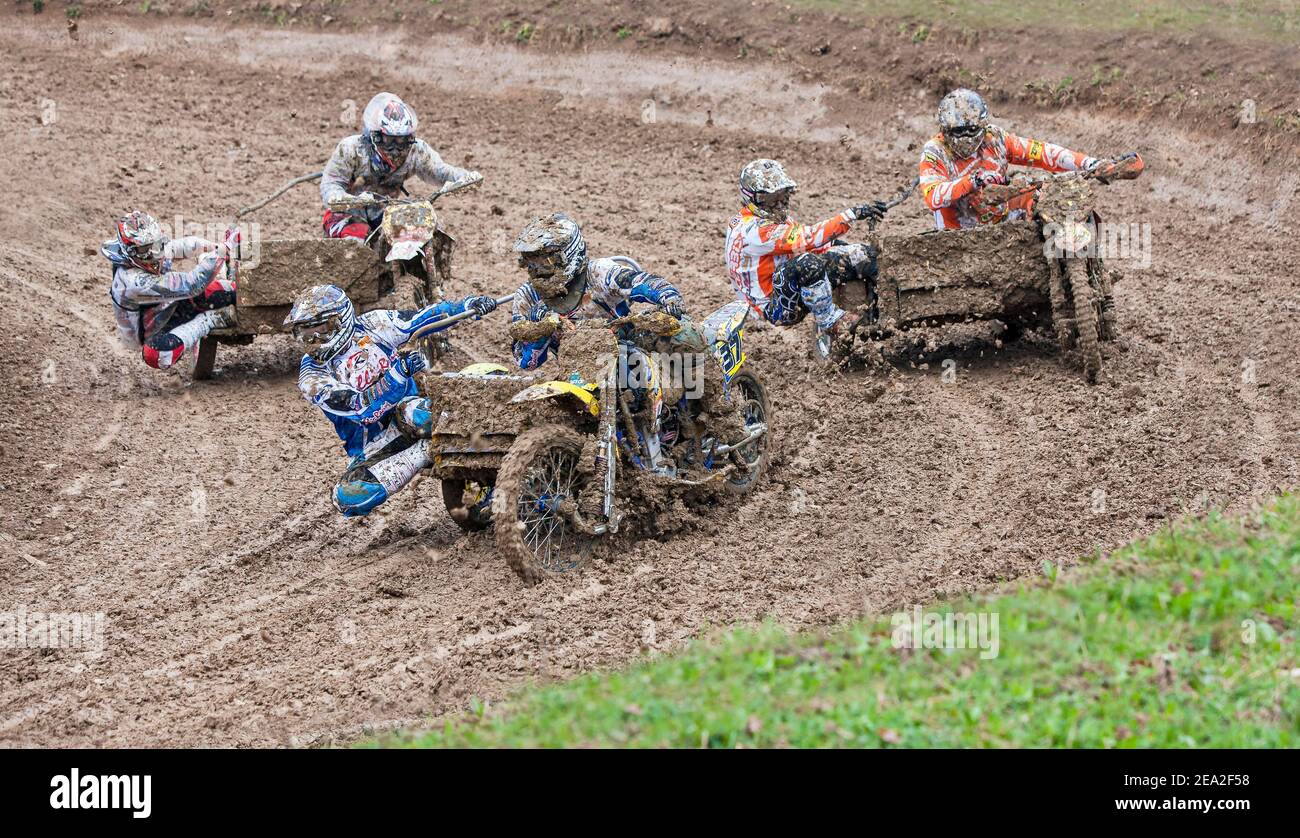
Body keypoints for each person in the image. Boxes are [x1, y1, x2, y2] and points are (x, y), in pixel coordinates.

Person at [285, 285, 498, 516]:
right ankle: (428, 450)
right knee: (347, 497)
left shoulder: (373, 324)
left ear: (341, 319)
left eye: (320, 330)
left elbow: (421, 319)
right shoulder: (312, 377)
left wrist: (466, 306)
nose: (315, 340)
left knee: (418, 415)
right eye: (306, 334)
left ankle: (485, 432)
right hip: (376, 444)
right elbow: (361, 411)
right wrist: (397, 374)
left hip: (408, 410)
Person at [918, 88, 1132, 230]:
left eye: (971, 130)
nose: (965, 137)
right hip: (957, 233)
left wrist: (1090, 163)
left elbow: (1042, 152)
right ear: (944, 130)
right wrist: (972, 181)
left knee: (1050, 200)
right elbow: (932, 195)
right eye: (957, 131)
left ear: (982, 126)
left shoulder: (995, 138)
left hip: (1003, 221)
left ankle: (1083, 267)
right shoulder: (934, 151)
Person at [724, 159, 887, 345]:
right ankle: (830, 322)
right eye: (771, 198)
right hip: (773, 307)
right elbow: (807, 238)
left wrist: (842, 249)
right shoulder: (753, 231)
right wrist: (851, 215)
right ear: (753, 198)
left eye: (782, 195)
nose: (778, 203)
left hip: (787, 285)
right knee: (807, 264)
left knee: (857, 254)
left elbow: (809, 244)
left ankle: (880, 314)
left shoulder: (771, 221)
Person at [320, 92, 482, 240]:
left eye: (402, 141)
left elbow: (441, 172)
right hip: (345, 214)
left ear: (410, 137)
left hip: (384, 213)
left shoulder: (416, 151)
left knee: (423, 234)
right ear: (376, 136)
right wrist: (348, 200)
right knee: (355, 240)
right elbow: (330, 184)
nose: (396, 149)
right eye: (389, 141)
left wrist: (465, 177)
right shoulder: (350, 149)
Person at [102, 210, 236, 370]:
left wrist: (216, 247)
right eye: (146, 249)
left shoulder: (143, 251)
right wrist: (223, 252)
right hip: (150, 332)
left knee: (232, 292)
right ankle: (210, 319)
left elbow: (177, 247)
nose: (155, 253)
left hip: (166, 307)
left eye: (156, 244)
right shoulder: (132, 281)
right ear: (129, 251)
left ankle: (219, 277)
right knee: (157, 355)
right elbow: (192, 284)